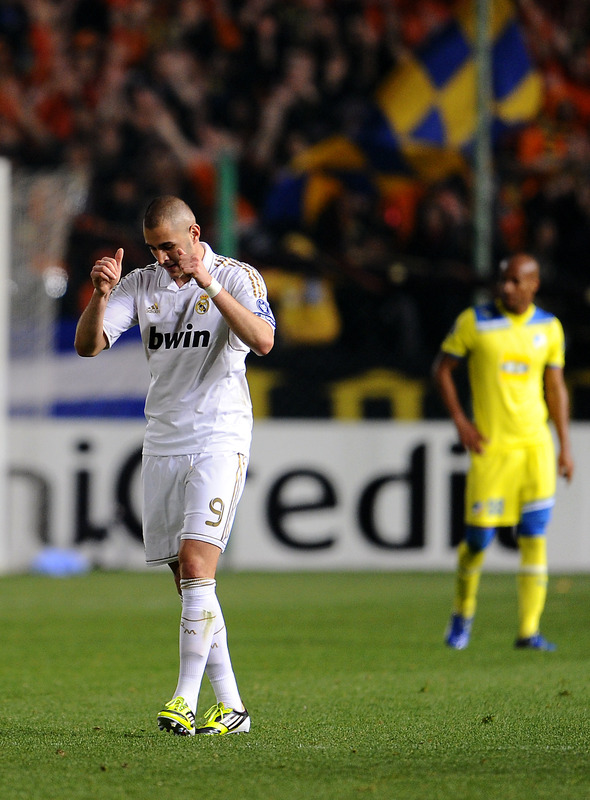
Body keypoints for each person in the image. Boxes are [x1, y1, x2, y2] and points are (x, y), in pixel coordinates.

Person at [75, 195, 275, 734]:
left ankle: (183, 699)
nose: (161, 257)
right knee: (191, 585)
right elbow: (88, 346)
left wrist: (207, 282)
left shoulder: (238, 277)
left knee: (195, 568)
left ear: (195, 233)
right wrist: (100, 295)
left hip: (219, 435)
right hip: (163, 442)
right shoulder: (141, 285)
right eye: (152, 248)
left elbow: (263, 340)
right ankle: (231, 707)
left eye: (168, 246)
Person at [432, 253, 574, 651]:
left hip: (535, 447)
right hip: (492, 449)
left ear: (534, 284)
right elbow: (442, 369)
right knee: (478, 540)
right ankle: (463, 613)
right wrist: (461, 421)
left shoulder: (549, 328)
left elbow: (556, 387)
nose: (506, 287)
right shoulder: (474, 321)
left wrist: (564, 447)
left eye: (514, 281)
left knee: (534, 536)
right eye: (502, 280)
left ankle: (529, 630)